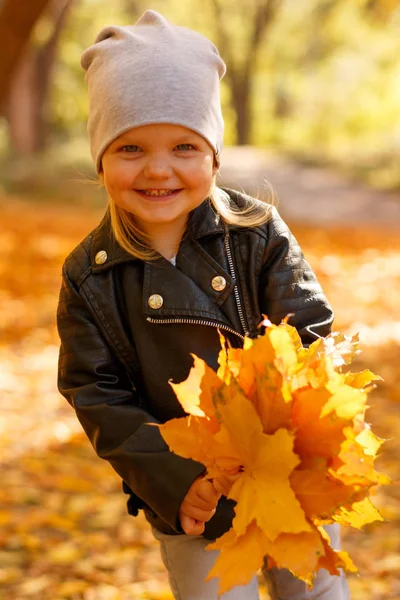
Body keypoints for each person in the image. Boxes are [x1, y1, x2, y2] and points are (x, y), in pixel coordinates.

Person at [57, 10, 350, 600]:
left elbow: (308, 330)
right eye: (131, 147)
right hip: (194, 496)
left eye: (184, 146)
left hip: (286, 471)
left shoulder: (257, 234)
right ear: (101, 160)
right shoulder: (91, 276)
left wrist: (290, 436)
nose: (158, 168)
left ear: (214, 155)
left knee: (314, 592)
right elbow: (98, 394)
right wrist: (174, 478)